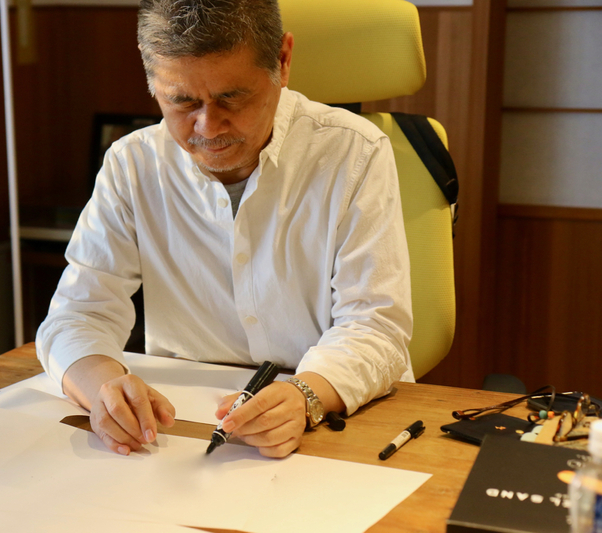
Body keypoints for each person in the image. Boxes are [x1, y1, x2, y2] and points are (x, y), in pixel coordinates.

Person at [36, 0, 413, 459]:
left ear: (283, 61)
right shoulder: (133, 164)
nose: (209, 127)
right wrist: (103, 389)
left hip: (336, 422)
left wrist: (305, 395)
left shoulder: (354, 153)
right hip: (182, 431)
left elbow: (375, 325)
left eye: (232, 98)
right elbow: (78, 315)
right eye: (182, 101)